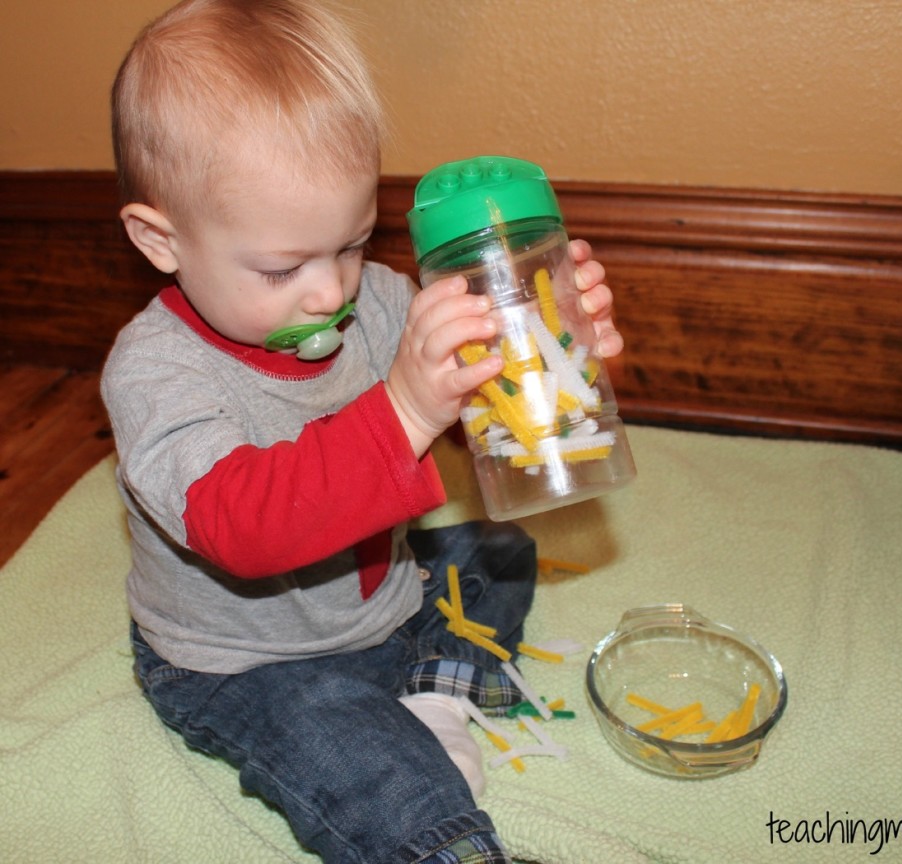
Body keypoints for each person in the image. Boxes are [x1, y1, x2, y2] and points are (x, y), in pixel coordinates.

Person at [103, 1, 623, 862]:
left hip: (386, 594)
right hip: (249, 656)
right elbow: (243, 527)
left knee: (500, 551)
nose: (329, 292)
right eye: (282, 266)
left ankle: (434, 695)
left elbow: (471, 428)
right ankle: (432, 796)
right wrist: (406, 408)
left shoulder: (374, 299)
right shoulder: (153, 374)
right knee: (373, 774)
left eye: (352, 242)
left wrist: (553, 362)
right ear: (161, 240)